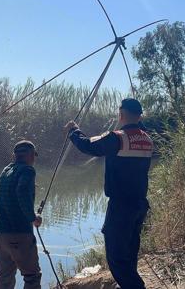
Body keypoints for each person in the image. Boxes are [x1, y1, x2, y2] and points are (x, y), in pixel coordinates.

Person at [65, 98, 153, 289]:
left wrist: (73, 131)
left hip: (121, 206)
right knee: (129, 251)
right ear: (139, 116)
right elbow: (138, 128)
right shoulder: (147, 138)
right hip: (139, 204)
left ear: (121, 114)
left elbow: (88, 145)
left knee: (116, 257)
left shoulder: (117, 137)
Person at [0, 140, 42, 289]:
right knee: (32, 277)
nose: (34, 159)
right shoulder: (28, 170)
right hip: (19, 233)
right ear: (29, 155)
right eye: (34, 155)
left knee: (4, 277)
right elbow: (21, 192)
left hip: (0, 235)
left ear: (15, 156)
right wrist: (33, 218)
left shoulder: (6, 170)